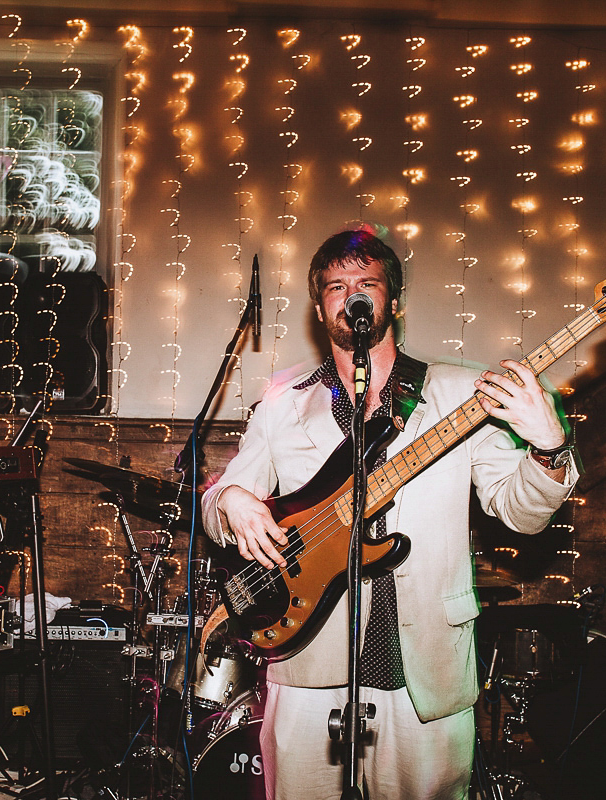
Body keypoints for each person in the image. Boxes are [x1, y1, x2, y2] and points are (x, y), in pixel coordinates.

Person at [201, 228, 579, 799]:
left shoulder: (460, 394)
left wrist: (549, 448)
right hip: (306, 657)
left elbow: (520, 512)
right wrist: (230, 499)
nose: (350, 294)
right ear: (320, 305)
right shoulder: (281, 399)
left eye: (366, 283)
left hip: (424, 666)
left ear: (392, 302)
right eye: (335, 286)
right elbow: (218, 504)